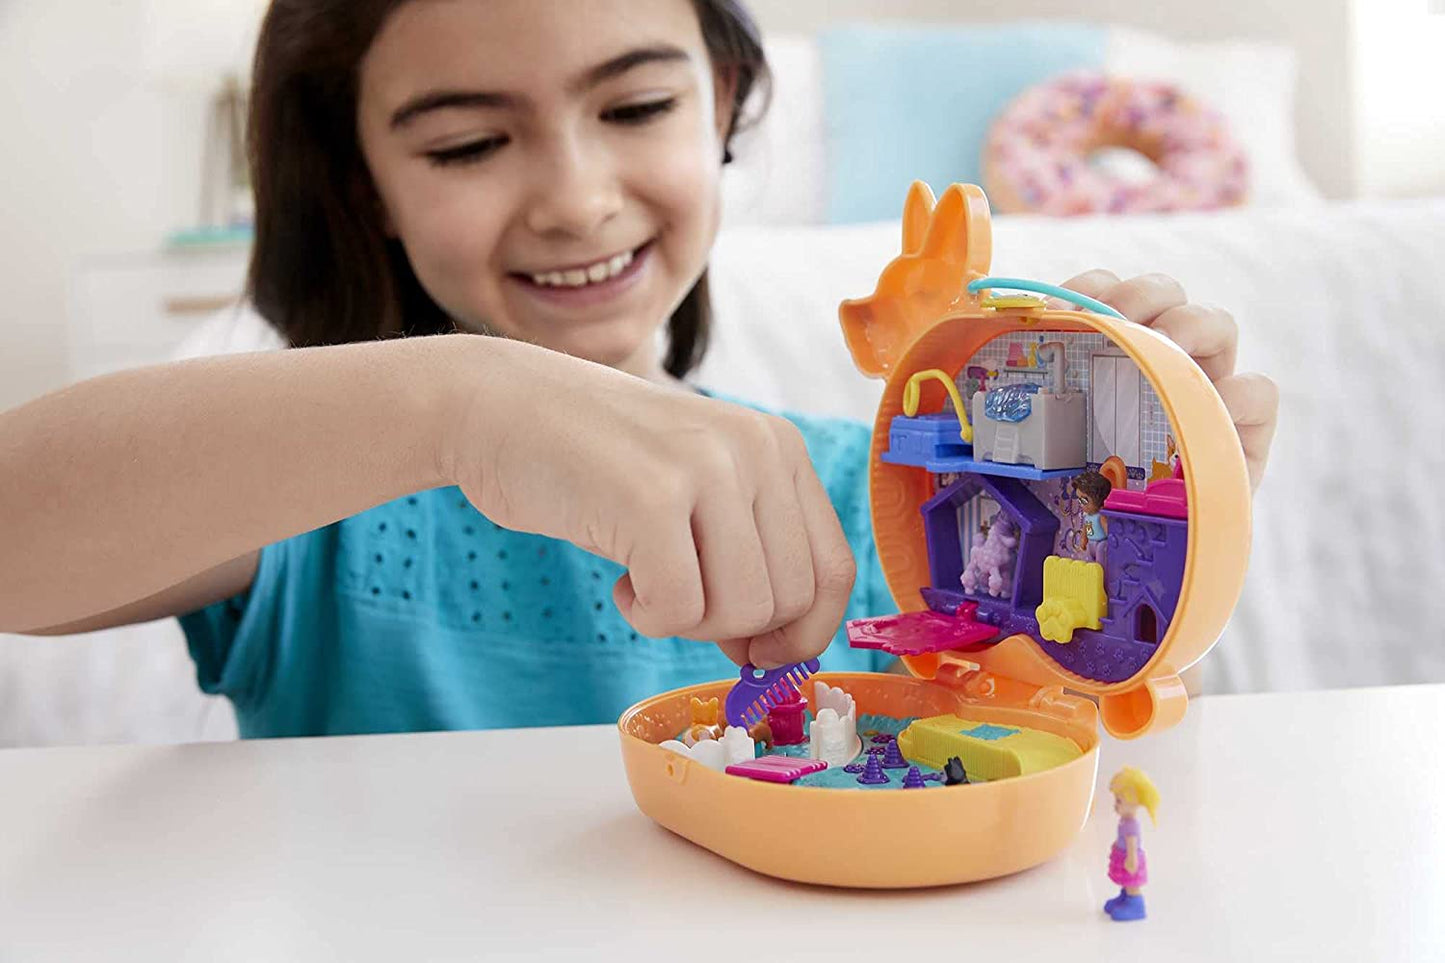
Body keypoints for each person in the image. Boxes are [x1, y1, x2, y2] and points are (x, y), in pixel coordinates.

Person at [0, 0, 1279, 737]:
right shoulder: (314, 496)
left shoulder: (881, 499)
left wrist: (1156, 530)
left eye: (634, 109)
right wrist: (460, 402)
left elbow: (1060, 777)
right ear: (360, 181)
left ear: (719, 106)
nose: (575, 199)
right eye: (465, 143)